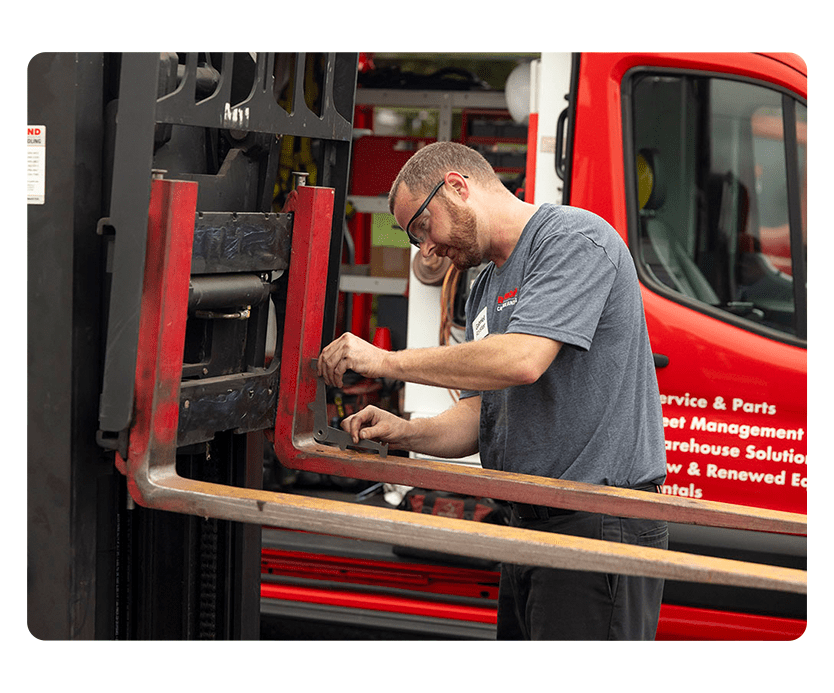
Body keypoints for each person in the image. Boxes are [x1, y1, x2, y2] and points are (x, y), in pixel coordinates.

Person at [317, 141, 668, 640]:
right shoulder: (484, 285)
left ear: (457, 186)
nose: (429, 249)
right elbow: (488, 415)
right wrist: (406, 431)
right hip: (525, 523)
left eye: (423, 226)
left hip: (596, 523)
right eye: (415, 240)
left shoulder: (572, 240)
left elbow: (521, 360)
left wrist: (385, 360)